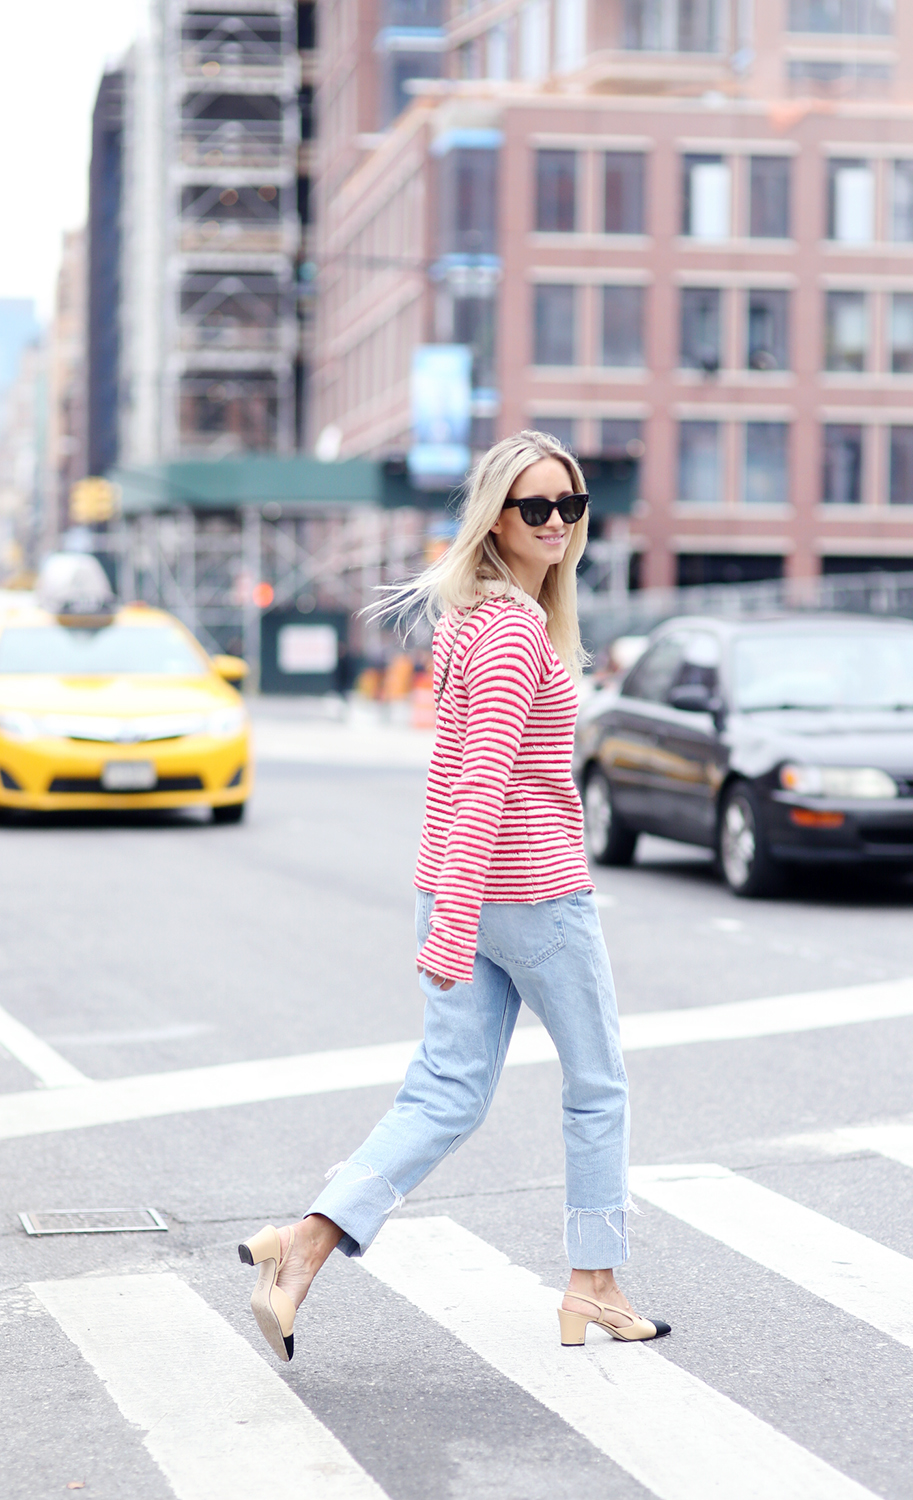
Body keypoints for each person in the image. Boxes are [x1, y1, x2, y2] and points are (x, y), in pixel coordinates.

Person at [238, 431, 669, 1360]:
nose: (556, 522)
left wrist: (451, 909)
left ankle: (304, 1246)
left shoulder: (472, 619)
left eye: (571, 505)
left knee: (446, 1094)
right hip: (532, 897)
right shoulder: (514, 630)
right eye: (534, 508)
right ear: (496, 519)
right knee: (597, 1087)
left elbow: (457, 779)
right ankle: (592, 1282)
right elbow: (482, 782)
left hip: (463, 893)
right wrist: (463, 916)